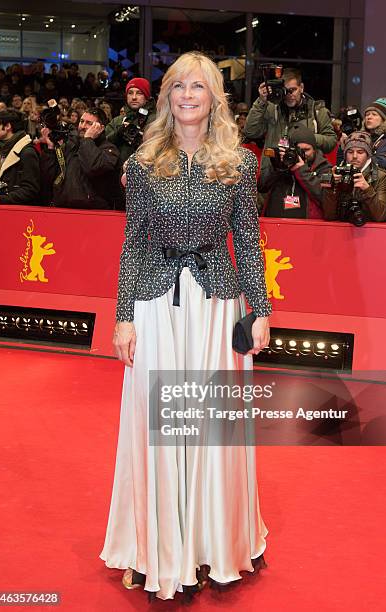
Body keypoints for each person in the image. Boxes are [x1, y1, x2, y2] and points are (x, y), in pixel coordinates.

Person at [100, 51, 271, 602]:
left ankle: (210, 543)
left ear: (214, 96)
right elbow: (133, 244)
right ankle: (152, 548)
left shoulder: (240, 164)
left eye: (199, 86)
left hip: (216, 305)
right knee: (157, 423)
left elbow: (246, 239)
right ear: (167, 97)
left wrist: (260, 309)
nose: (188, 95)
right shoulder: (144, 161)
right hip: (155, 302)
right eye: (179, 87)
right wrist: (124, 315)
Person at [244, 67, 336, 185]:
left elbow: (331, 142)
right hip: (274, 176)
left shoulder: (317, 111)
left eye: (293, 90)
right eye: (285, 91)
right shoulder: (272, 109)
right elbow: (250, 132)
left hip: (306, 175)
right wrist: (261, 101)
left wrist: (308, 138)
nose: (289, 95)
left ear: (301, 88)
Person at [39, 107, 124, 210]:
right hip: (62, 209)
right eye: (82, 121)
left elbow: (93, 168)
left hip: (94, 213)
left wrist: (88, 139)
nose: (83, 126)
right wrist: (50, 149)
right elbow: (48, 178)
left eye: (89, 123)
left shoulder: (109, 150)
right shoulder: (71, 146)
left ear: (101, 128)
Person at [261, 125, 331, 218]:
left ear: (315, 149)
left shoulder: (324, 167)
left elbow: (325, 198)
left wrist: (301, 170)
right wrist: (276, 166)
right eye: (299, 150)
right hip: (275, 224)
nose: (303, 154)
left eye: (306, 150)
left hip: (308, 228)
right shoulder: (285, 162)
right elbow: (261, 187)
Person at [322, 131, 386, 223]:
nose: (354, 156)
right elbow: (329, 216)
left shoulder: (380, 176)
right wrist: (332, 187)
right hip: (341, 230)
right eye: (350, 152)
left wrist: (367, 189)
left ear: (368, 154)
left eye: (360, 152)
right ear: (345, 155)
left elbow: (381, 216)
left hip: (371, 232)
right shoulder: (336, 173)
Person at [0, 110, 40, 204]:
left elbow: (30, 190)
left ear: (7, 126)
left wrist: (0, 199)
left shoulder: (27, 153)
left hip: (21, 214)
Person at [105, 77, 156, 162]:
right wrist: (118, 133)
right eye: (130, 93)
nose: (134, 97)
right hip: (119, 172)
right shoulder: (117, 121)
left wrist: (139, 139)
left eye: (139, 93)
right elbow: (104, 145)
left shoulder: (157, 120)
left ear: (147, 97)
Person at [363, 97, 386, 177]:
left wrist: (358, 161)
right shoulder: (363, 137)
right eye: (367, 114)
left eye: (374, 114)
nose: (369, 117)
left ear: (384, 119)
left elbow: (384, 166)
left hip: (382, 187)